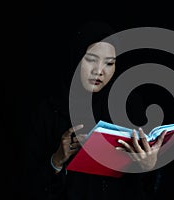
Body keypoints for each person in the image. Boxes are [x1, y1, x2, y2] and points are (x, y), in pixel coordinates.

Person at [25, 21, 166, 200]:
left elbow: (144, 188)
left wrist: (149, 167)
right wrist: (57, 160)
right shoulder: (49, 111)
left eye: (109, 63)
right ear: (75, 58)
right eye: (91, 60)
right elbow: (26, 186)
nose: (99, 71)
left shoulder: (130, 106)